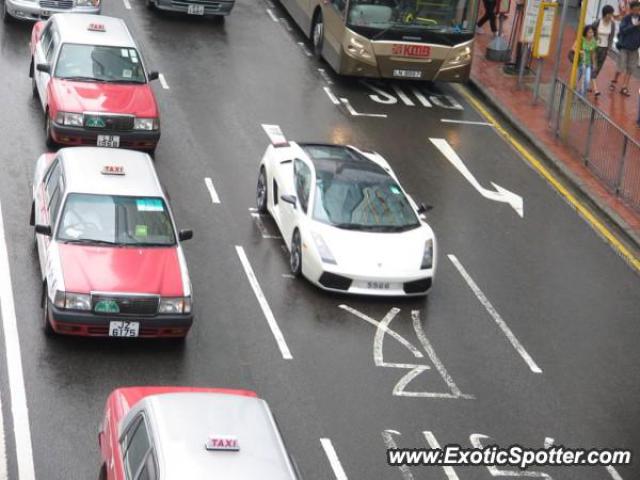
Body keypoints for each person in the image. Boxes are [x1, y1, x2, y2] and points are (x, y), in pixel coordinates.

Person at [610, 1, 640, 96]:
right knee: (621, 67)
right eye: (635, 10)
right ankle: (614, 80)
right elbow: (623, 30)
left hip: (634, 48)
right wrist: (634, 26)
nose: (637, 11)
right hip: (624, 47)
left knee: (630, 68)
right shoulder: (626, 18)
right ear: (631, 9)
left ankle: (624, 87)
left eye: (638, 10)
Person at [592, 5, 616, 93]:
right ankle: (593, 86)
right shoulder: (598, 22)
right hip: (594, 47)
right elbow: (590, 32)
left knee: (598, 66)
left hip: (604, 48)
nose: (611, 16)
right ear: (605, 14)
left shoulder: (612, 24)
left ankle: (591, 81)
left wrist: (609, 48)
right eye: (610, 14)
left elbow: (611, 36)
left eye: (612, 14)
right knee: (592, 65)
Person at [577, 25, 598, 95]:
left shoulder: (594, 42)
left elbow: (593, 53)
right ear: (586, 33)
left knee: (587, 81)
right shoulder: (582, 39)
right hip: (580, 63)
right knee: (576, 79)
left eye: (592, 32)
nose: (591, 34)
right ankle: (571, 91)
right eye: (589, 32)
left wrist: (594, 64)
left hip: (588, 64)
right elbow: (576, 48)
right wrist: (580, 51)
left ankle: (581, 94)